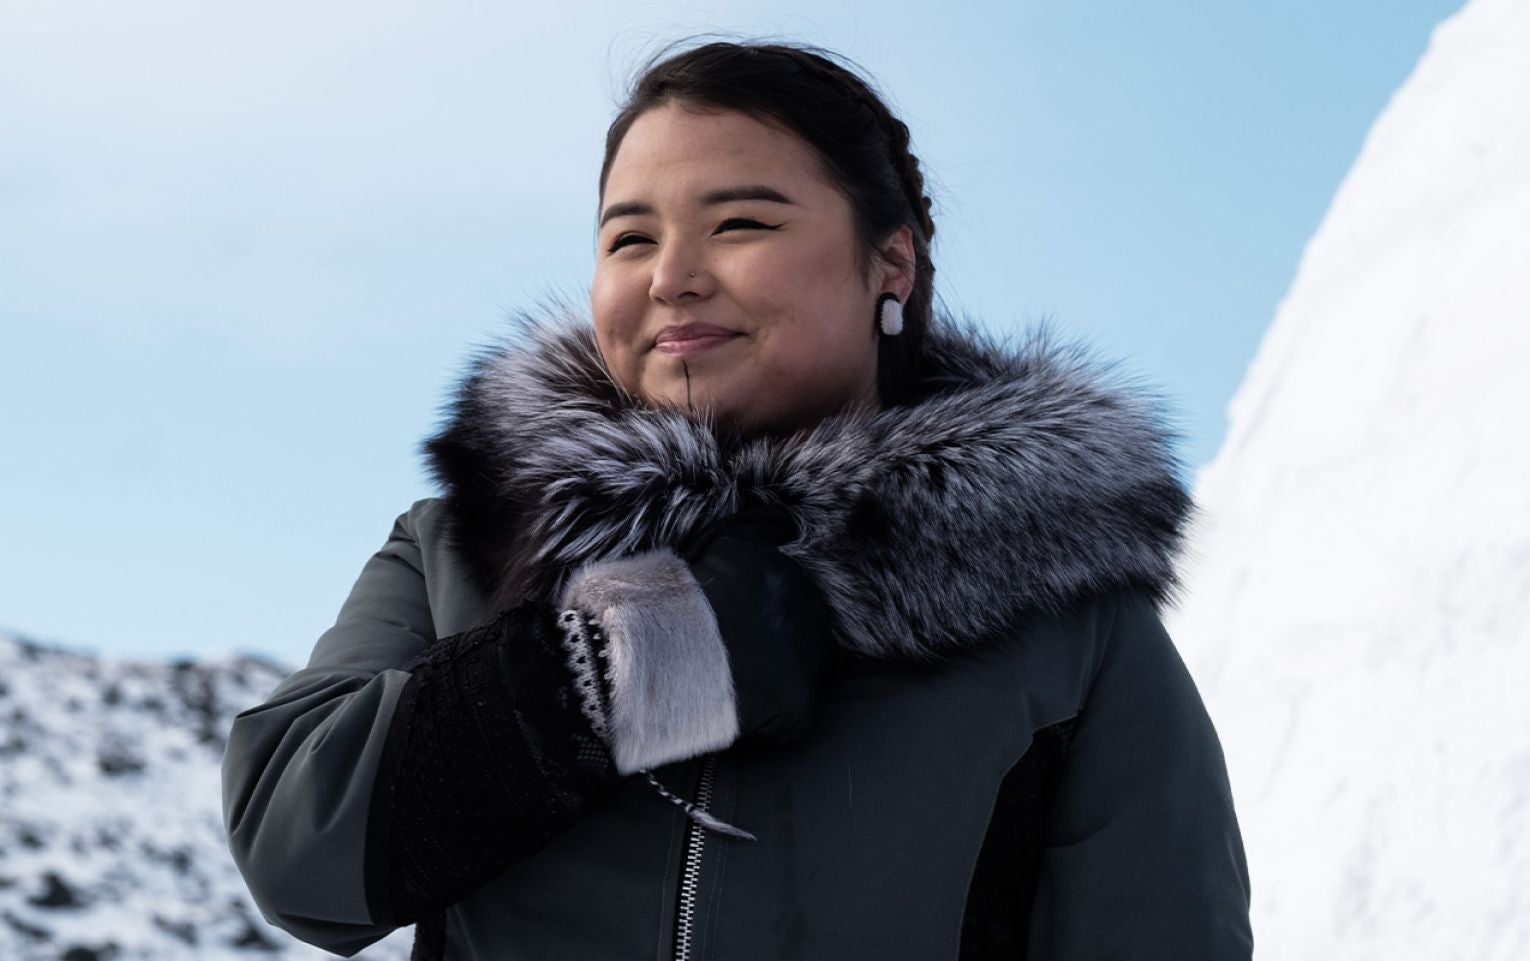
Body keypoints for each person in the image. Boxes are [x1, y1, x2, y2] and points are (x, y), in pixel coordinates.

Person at [222, 40, 1253, 960]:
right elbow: (297, 858)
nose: (672, 277)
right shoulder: (463, 544)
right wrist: (631, 665)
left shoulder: (1065, 617)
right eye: (629, 239)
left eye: (741, 222)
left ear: (888, 262)